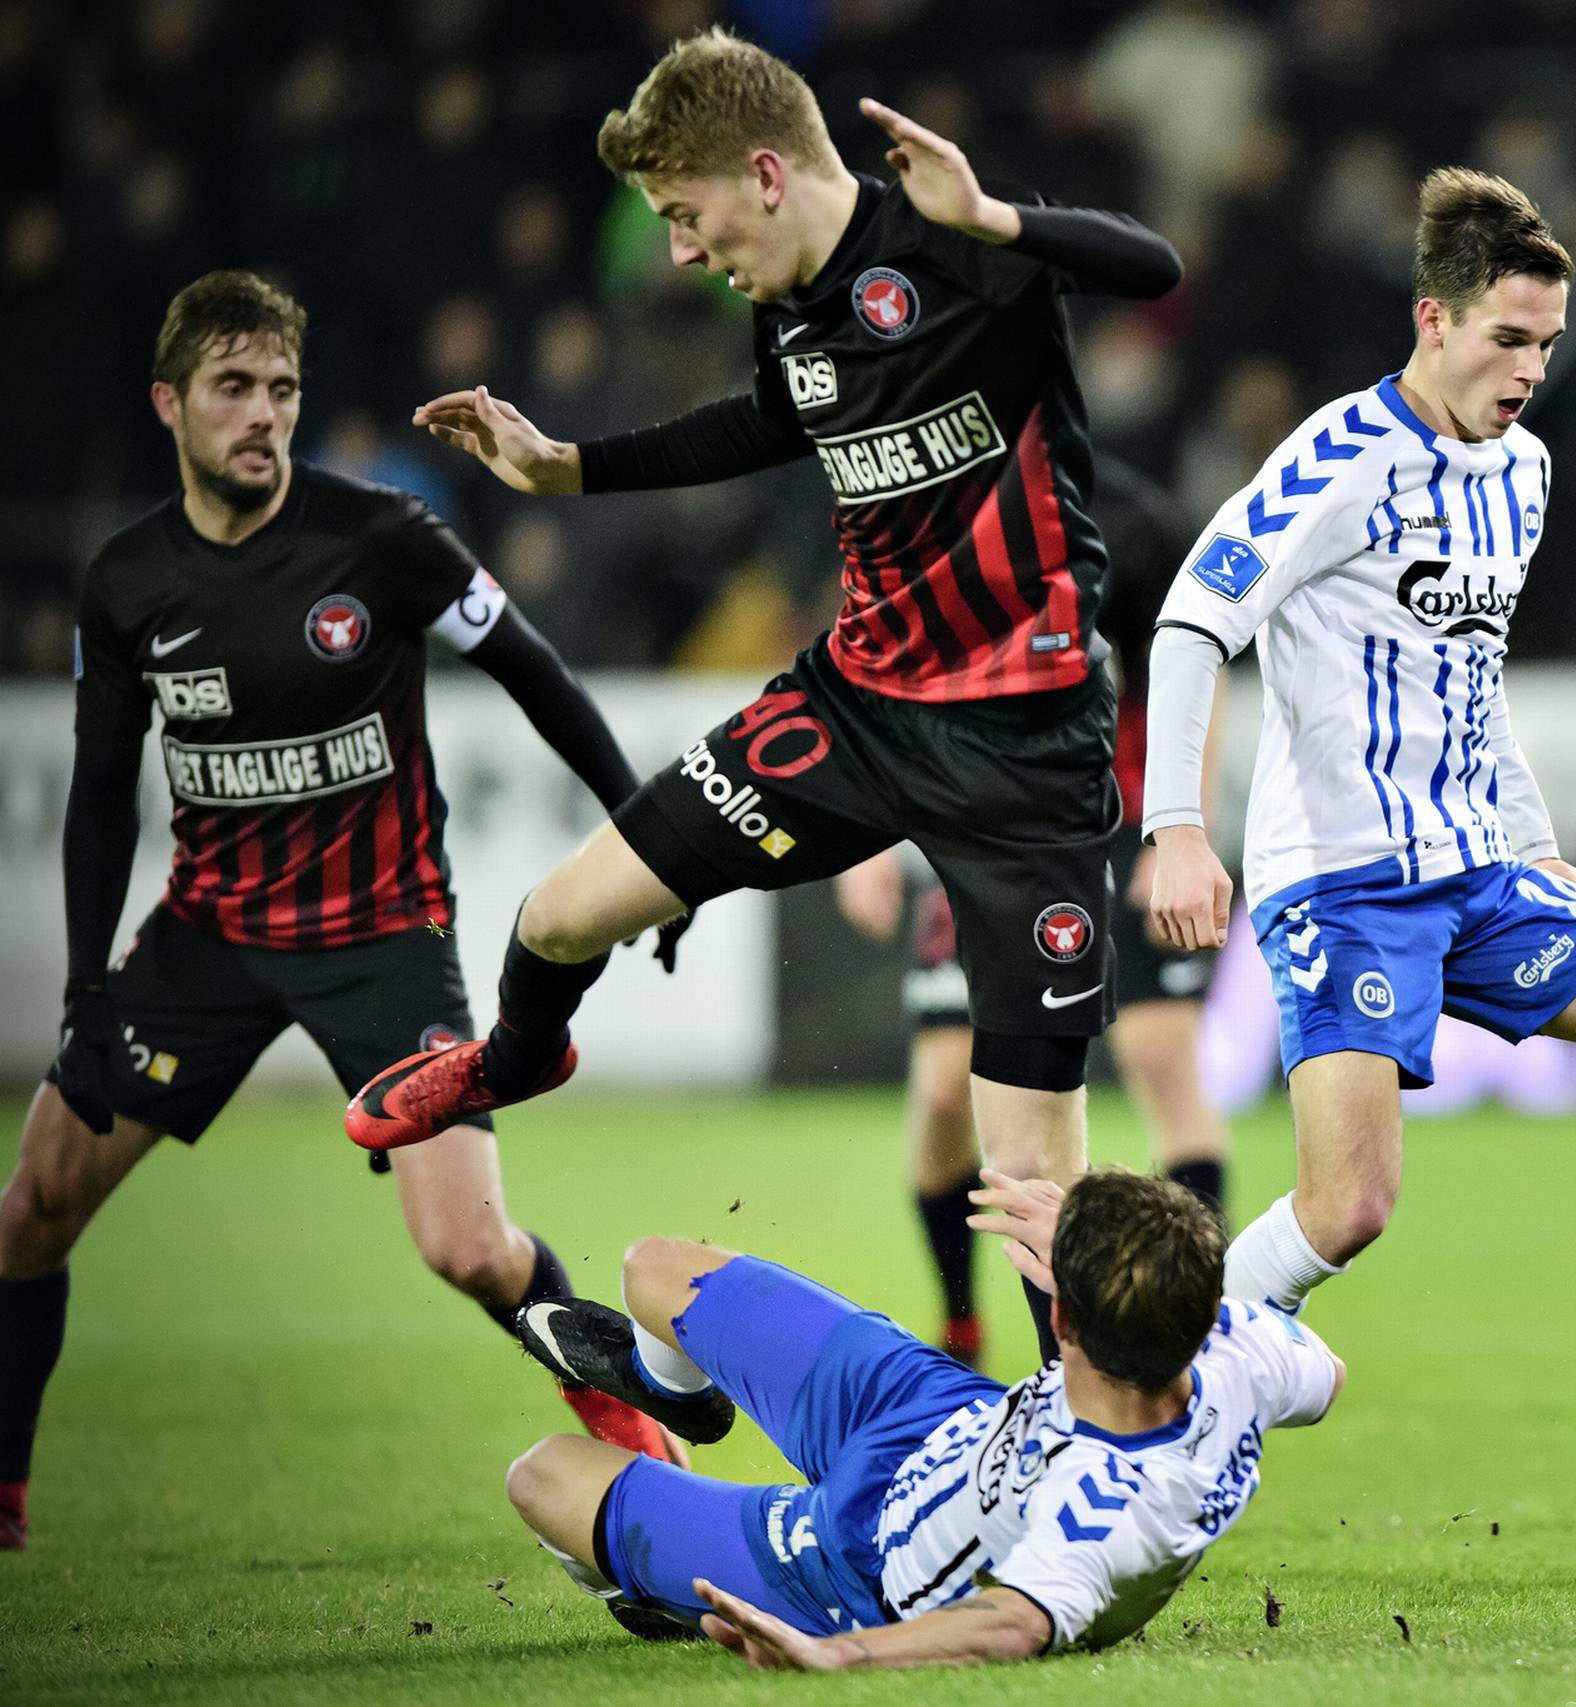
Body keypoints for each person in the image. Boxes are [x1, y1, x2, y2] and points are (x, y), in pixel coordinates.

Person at [346, 28, 1182, 1359]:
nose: (680, 248)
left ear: (764, 172)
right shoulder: (787, 297)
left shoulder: (959, 244)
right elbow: (773, 417)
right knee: (561, 915)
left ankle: (1088, 1440)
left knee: (1031, 1173)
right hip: (855, 708)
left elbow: (1156, 268)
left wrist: (1003, 217)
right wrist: (570, 468)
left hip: (1027, 747)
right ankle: (516, 1059)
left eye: (686, 213)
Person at [1142, 170, 1576, 1514]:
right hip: (1347, 880)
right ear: (1431, 319)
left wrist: (1540, 845)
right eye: (1508, 338)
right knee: (1350, 1206)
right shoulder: (1337, 459)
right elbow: (1190, 618)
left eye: (1547, 344)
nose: (1529, 370)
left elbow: (1471, 674)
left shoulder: (1526, 472)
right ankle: (1132, 1363)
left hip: (1485, 868)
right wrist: (1175, 828)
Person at [0, 272, 689, 1551]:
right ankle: (2, 1484)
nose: (261, 415)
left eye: (281, 391)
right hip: (205, 940)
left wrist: (654, 848)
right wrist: (86, 992)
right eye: (233, 389)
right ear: (171, 404)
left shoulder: (382, 537)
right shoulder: (128, 579)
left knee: (472, 1249)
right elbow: (100, 800)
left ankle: (635, 1440)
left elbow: (536, 676)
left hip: (382, 936)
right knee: (30, 1208)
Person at [501, 1168, 1342, 1664]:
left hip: (854, 1571)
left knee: (543, 1474)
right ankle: (679, 1399)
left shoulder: (1110, 1500)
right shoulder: (1241, 1346)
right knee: (654, 1270)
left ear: (1062, 1320)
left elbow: (1015, 1620)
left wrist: (839, 1654)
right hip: (938, 1412)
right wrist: (1123, 1249)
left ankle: (637, 1590)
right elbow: (1325, 1373)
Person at [834, 454, 1232, 1366]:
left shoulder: (1141, 527)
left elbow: (1192, 680)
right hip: (986, 827)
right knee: (942, 1091)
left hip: (1123, 821)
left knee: (1163, 1065)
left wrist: (1180, 826)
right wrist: (863, 841)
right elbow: (877, 671)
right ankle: (962, 1322)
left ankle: (1201, 1322)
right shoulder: (940, 516)